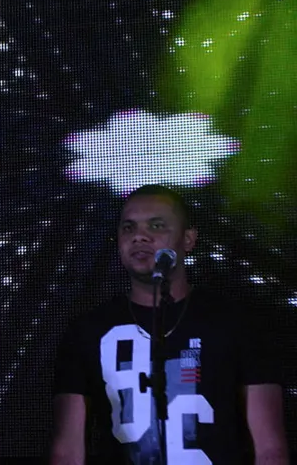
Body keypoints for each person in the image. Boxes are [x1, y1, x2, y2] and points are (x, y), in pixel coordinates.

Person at [49, 184, 289, 464]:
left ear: (188, 239)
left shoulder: (235, 322)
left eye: (156, 225)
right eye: (128, 228)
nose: (139, 236)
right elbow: (67, 449)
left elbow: (270, 447)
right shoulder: (88, 330)